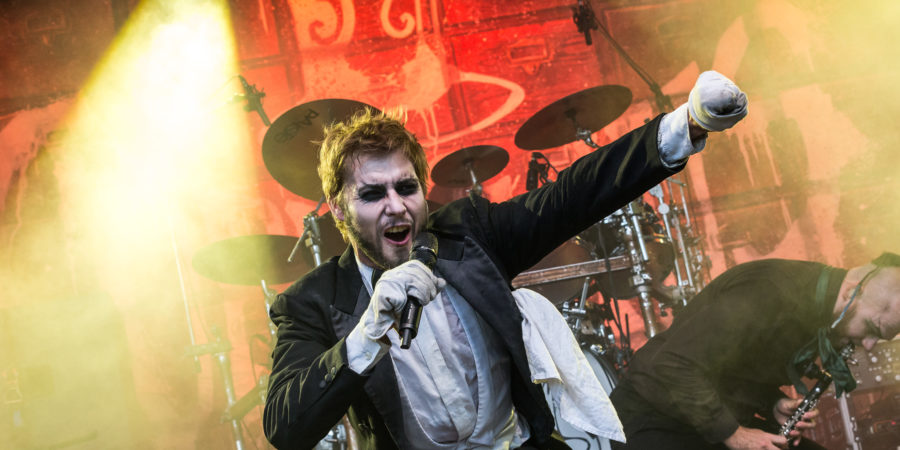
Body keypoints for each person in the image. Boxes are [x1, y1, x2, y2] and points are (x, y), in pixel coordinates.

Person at [262, 71, 748, 449]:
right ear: (339, 210)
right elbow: (286, 427)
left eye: (406, 188)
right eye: (372, 194)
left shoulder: (469, 233)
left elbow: (570, 198)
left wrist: (686, 124)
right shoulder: (311, 302)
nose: (396, 207)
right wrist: (366, 335)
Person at [609, 253, 900, 450]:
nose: (869, 344)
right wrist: (735, 435)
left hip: (705, 422)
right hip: (653, 419)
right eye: (873, 328)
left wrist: (771, 402)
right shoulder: (769, 291)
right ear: (852, 292)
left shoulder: (818, 309)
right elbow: (674, 364)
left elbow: (730, 369)